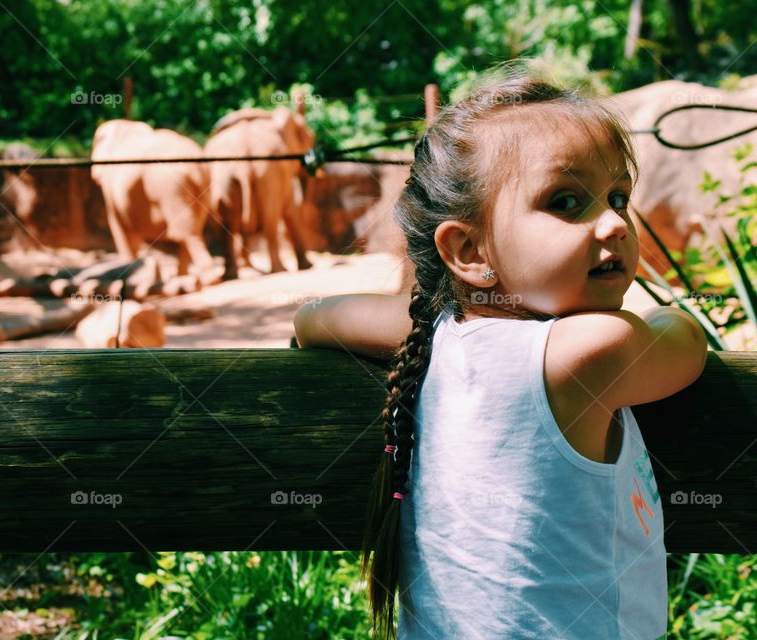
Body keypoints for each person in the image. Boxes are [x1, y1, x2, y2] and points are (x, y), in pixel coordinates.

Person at [293, 64, 708, 640]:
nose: (614, 223)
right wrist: (662, 314)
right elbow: (686, 340)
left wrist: (313, 320)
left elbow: (327, 314)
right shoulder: (592, 350)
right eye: (567, 201)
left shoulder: (437, 338)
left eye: (617, 196)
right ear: (468, 249)